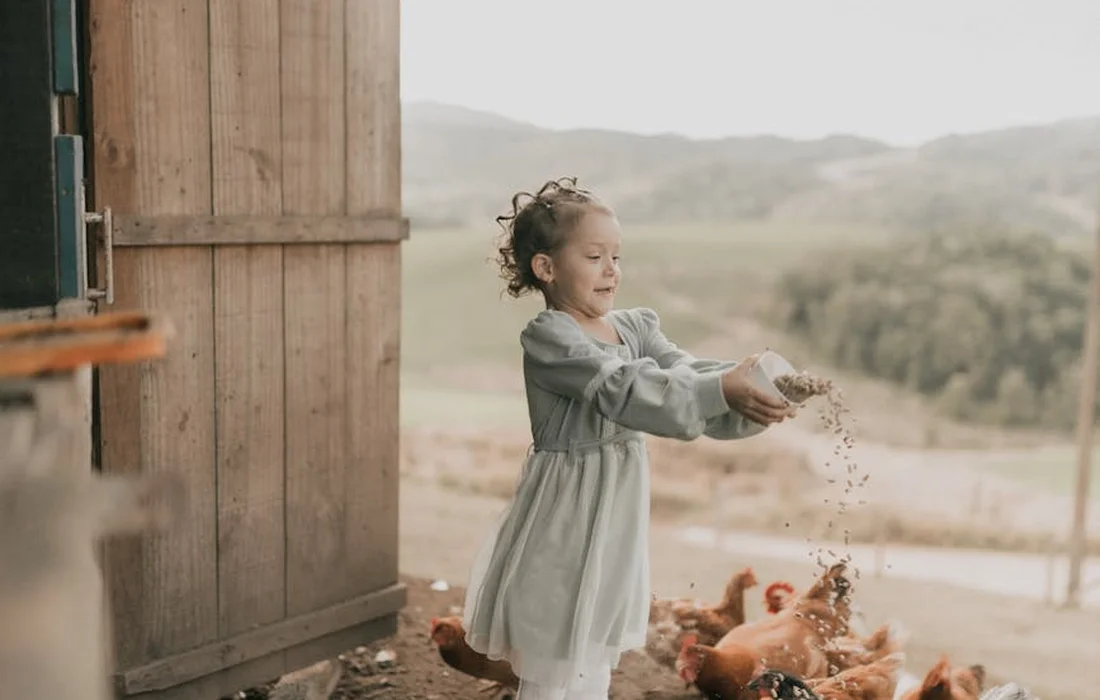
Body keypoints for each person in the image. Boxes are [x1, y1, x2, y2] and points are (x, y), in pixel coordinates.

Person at [461, 176, 794, 699]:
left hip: (614, 523)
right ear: (545, 268)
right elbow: (627, 389)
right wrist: (717, 388)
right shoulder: (552, 339)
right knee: (555, 657)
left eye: (617, 256)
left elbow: (688, 375)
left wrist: (747, 397)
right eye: (595, 256)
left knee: (594, 652)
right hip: (565, 521)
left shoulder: (636, 328)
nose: (612, 270)